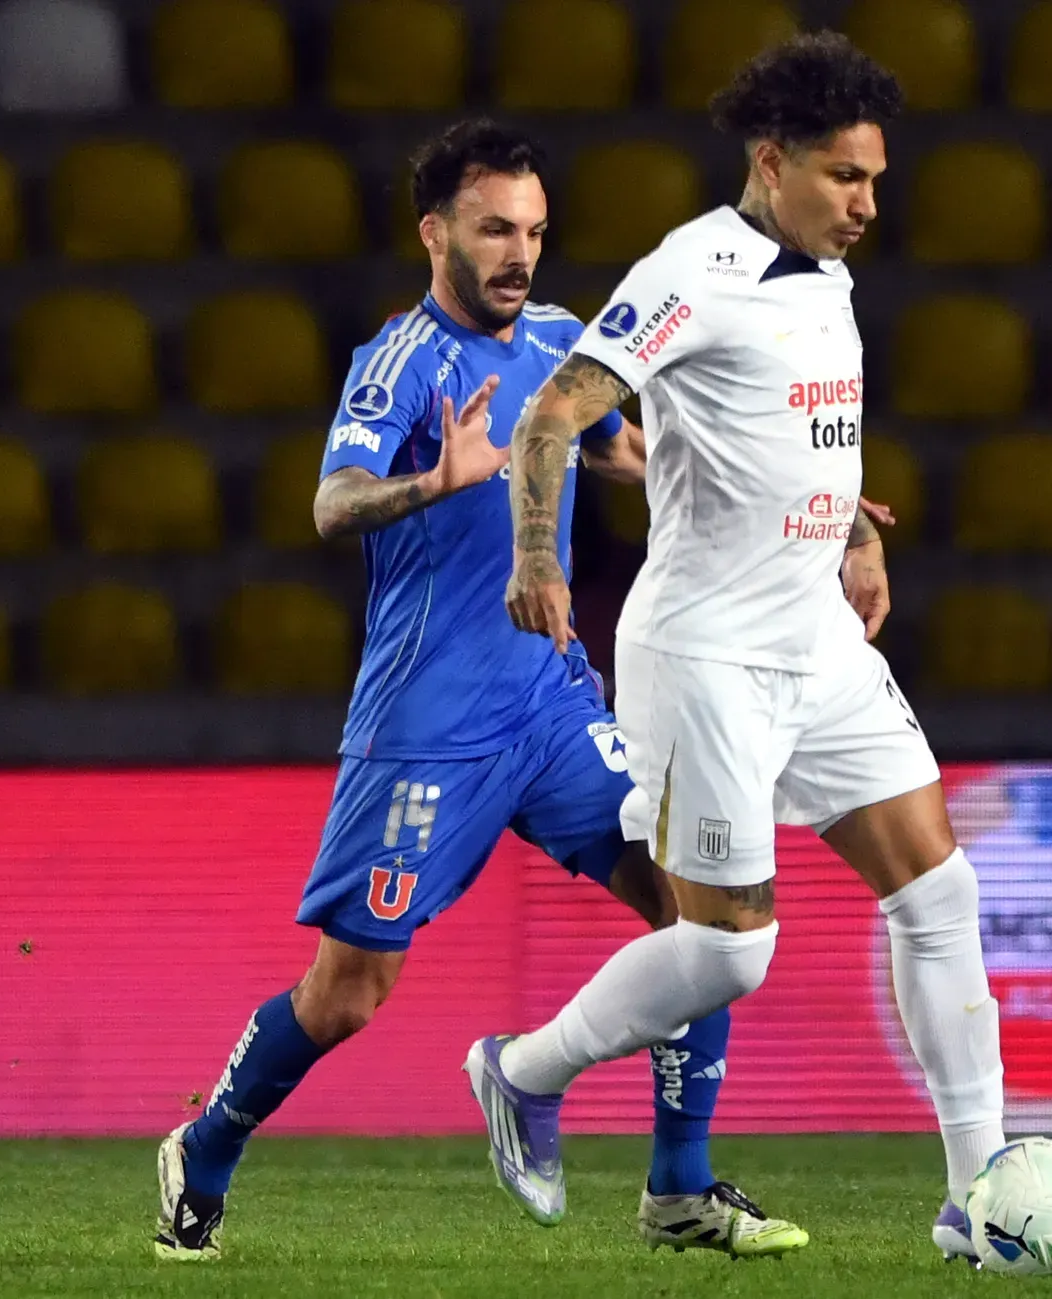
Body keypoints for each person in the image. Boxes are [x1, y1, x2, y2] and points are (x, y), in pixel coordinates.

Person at [482, 33, 1052, 1271]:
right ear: (771, 164)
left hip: (813, 640)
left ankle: (975, 1196)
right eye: (845, 178)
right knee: (730, 953)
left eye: (877, 178)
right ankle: (520, 1072)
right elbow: (558, 408)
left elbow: (811, 416)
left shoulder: (825, 272)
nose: (869, 204)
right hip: (708, 654)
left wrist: (850, 536)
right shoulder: (694, 270)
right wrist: (538, 560)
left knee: (939, 892)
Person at [153, 119, 805, 1261]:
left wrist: (795, 497)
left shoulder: (560, 341)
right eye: (495, 228)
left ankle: (680, 1187)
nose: (519, 254)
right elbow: (330, 505)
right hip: (426, 726)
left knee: (696, 912)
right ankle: (205, 1145)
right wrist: (433, 478)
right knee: (349, 994)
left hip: (552, 709)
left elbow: (626, 453)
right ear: (434, 232)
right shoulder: (399, 364)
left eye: (536, 232)